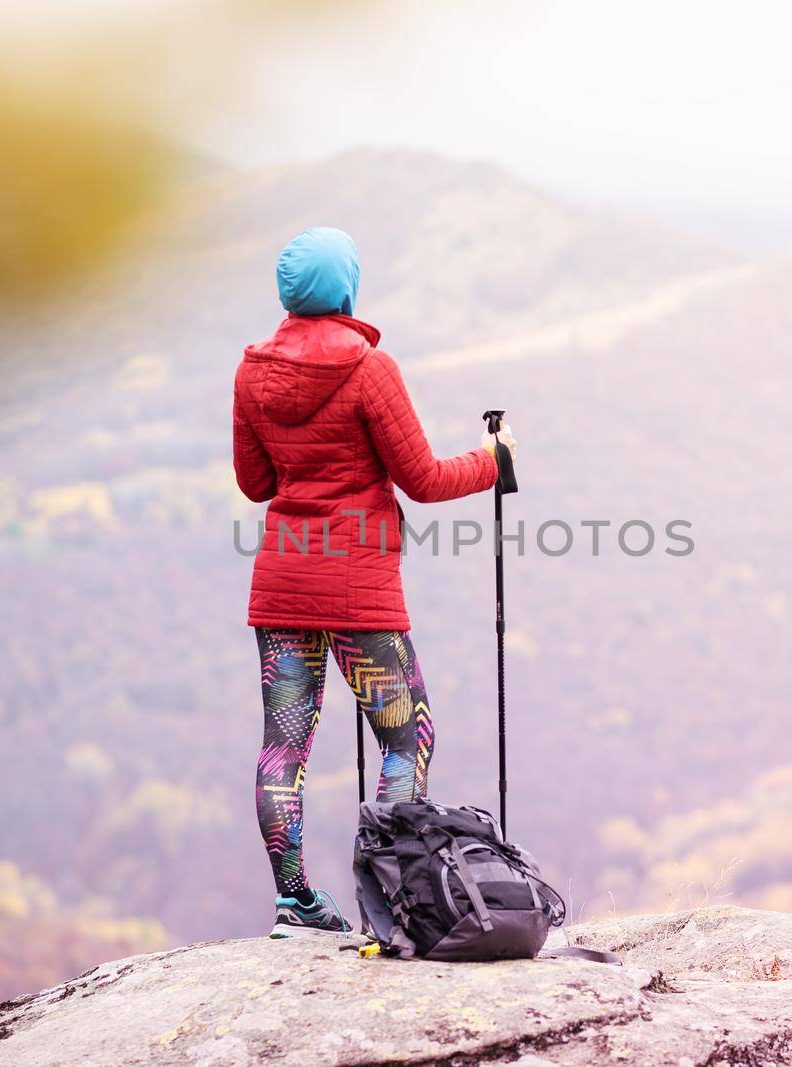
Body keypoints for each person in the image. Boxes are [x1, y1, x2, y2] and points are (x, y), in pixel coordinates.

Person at [233, 227, 517, 937]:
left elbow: (256, 481)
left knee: (283, 750)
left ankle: (295, 903)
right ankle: (397, 903)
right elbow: (422, 480)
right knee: (406, 737)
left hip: (284, 584)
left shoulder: (251, 372)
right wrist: (493, 458)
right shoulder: (369, 369)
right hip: (360, 591)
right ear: (348, 288)